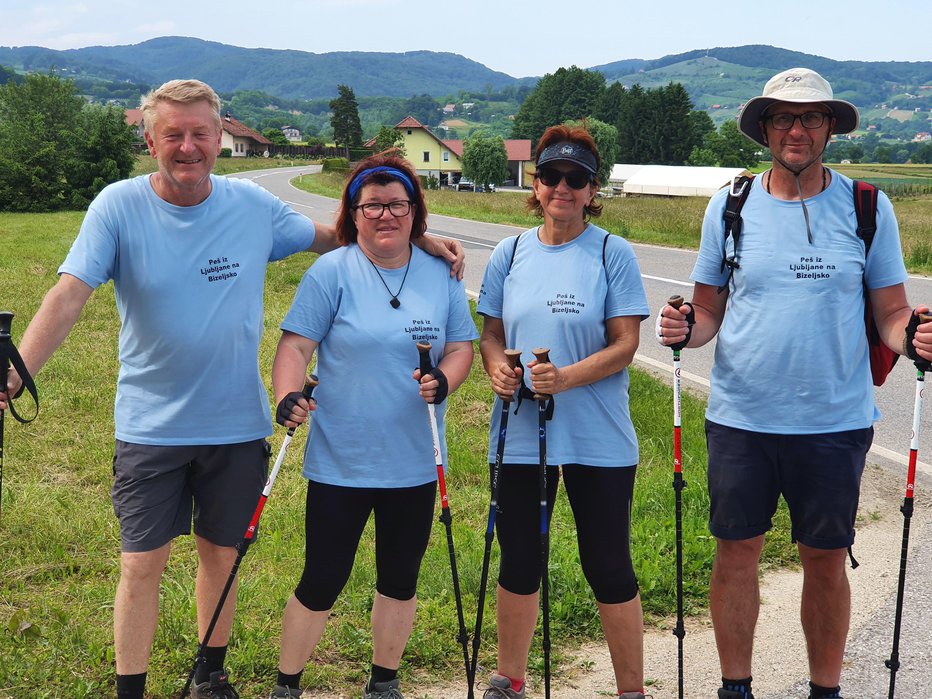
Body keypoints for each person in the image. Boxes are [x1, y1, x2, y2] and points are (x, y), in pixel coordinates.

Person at [0, 80, 463, 699]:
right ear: (150, 138)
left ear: (220, 138)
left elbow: (337, 234)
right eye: (173, 135)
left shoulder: (252, 207)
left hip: (237, 424)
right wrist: (17, 370)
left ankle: (209, 676)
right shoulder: (117, 206)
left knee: (221, 556)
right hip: (150, 424)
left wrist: (416, 237)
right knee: (142, 564)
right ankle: (129, 689)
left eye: (200, 134)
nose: (187, 147)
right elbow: (68, 295)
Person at [657, 68, 932, 699]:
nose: (797, 130)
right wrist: (683, 325)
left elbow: (890, 314)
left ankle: (824, 690)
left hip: (834, 423)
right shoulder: (730, 205)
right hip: (741, 419)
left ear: (830, 127)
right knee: (735, 557)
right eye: (783, 118)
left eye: (810, 118)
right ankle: (735, 688)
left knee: (826, 562)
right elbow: (709, 314)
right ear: (765, 129)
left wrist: (912, 336)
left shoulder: (867, 206)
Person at [266, 154, 478, 699]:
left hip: (414, 460)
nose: (386, 215)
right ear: (354, 213)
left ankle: (384, 681)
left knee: (400, 579)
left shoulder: (441, 272)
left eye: (397, 205)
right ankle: (288, 683)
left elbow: (460, 348)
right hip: (343, 459)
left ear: (415, 212)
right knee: (323, 577)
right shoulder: (331, 271)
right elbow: (295, 345)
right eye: (373, 205)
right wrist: (287, 393)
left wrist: (446, 382)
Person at [476, 124, 650, 699]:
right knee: (520, 560)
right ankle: (510, 678)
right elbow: (493, 334)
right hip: (520, 434)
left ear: (592, 189)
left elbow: (627, 344)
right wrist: (499, 368)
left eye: (576, 179)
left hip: (598, 436)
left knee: (607, 564)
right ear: (536, 181)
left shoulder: (610, 251)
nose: (562, 188)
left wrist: (565, 378)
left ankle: (631, 690)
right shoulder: (510, 251)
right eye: (551, 176)